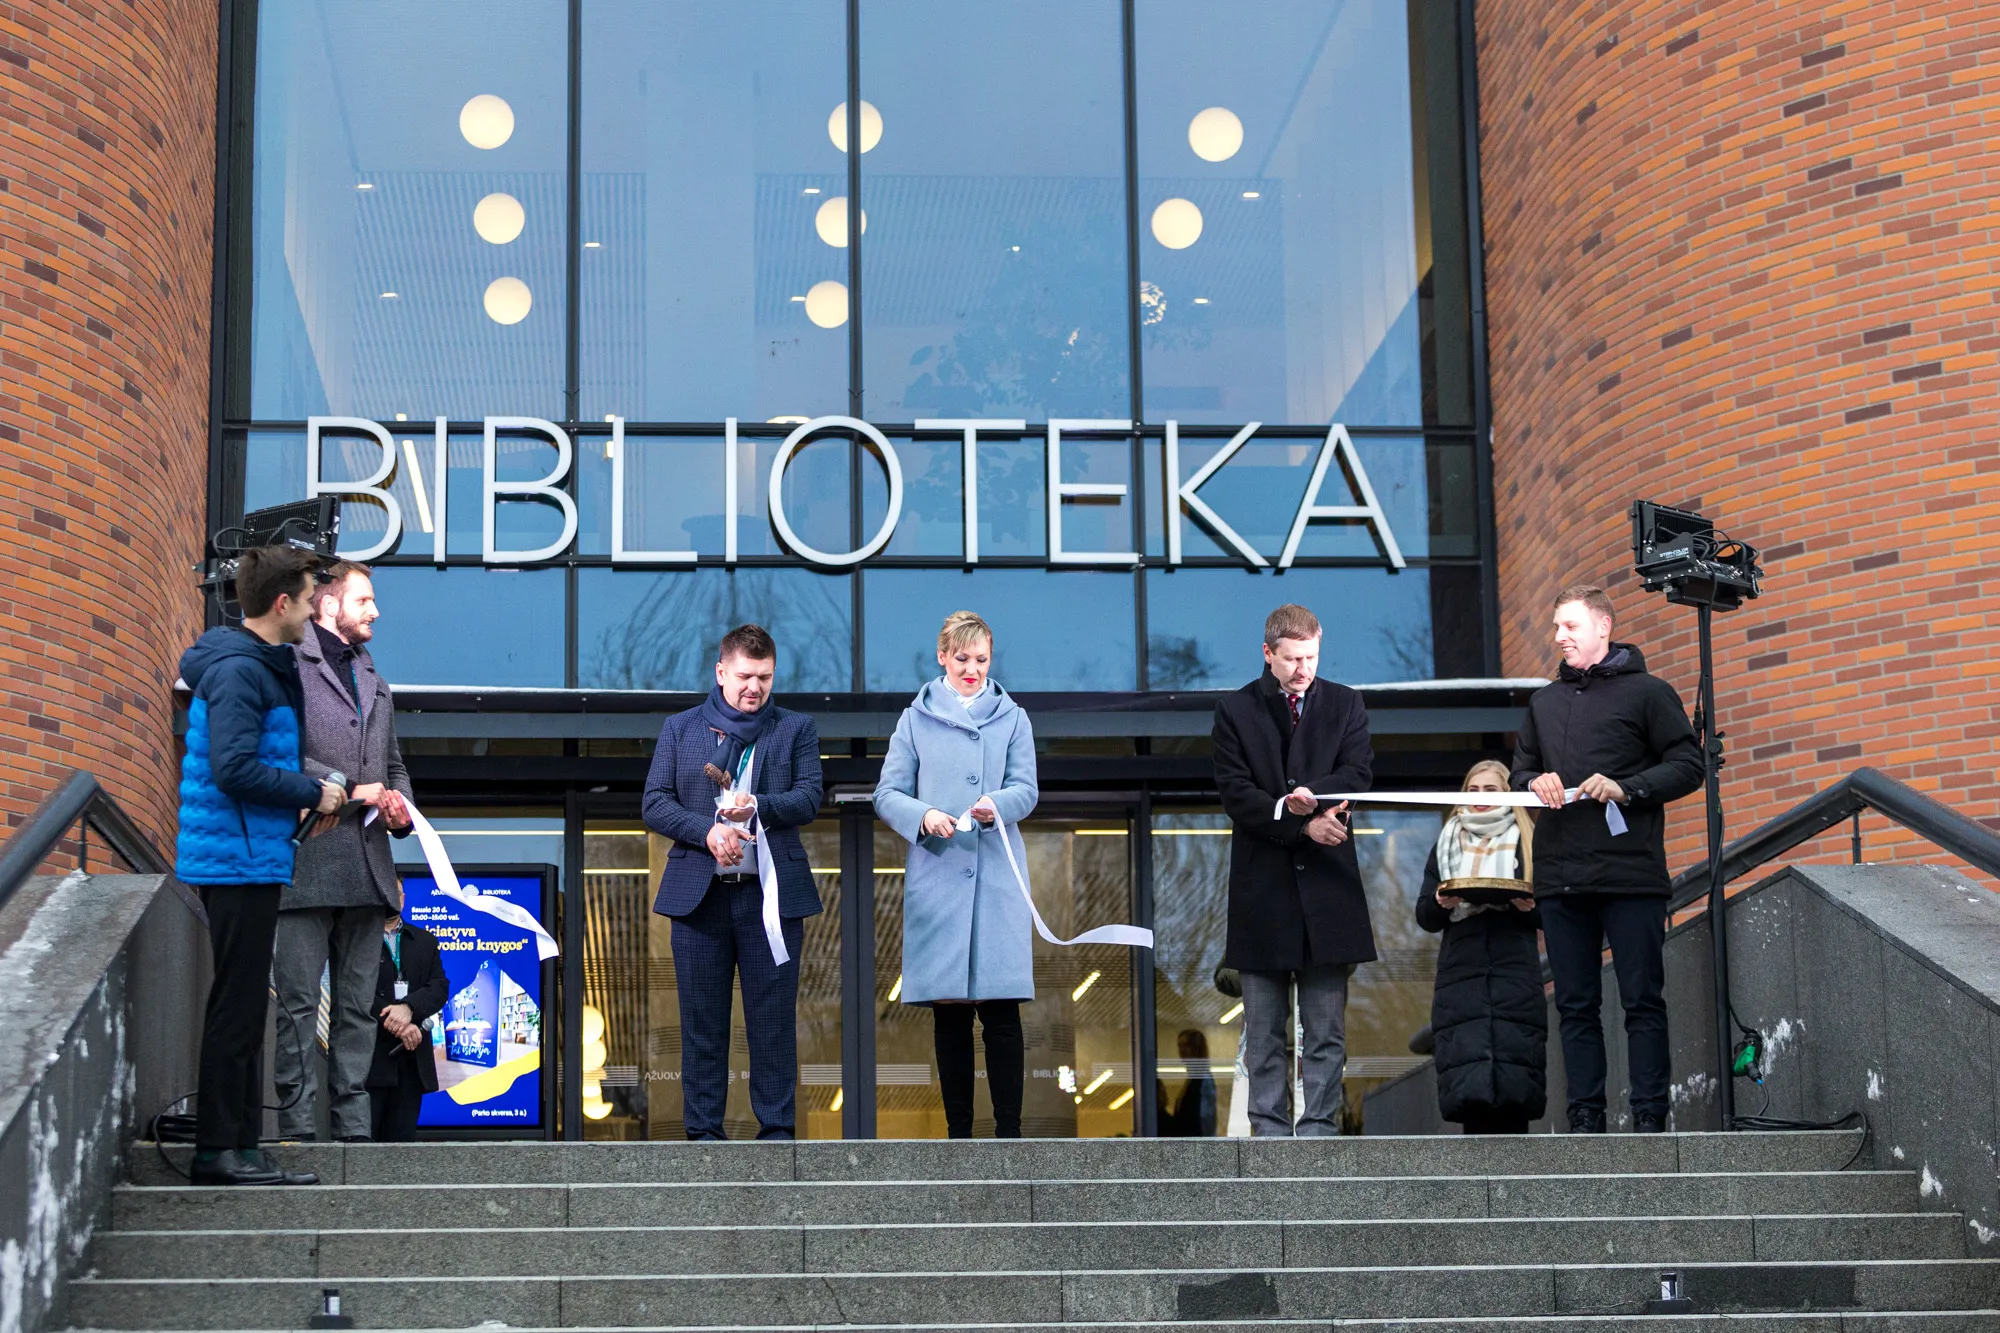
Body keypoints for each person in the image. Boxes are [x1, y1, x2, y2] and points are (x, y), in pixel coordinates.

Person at [174, 545, 346, 1186]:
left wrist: (308, 794)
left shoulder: (255, 665)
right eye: (307, 600)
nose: (312, 610)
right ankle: (219, 1152)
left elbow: (248, 764)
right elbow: (234, 770)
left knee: (245, 1008)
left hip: (250, 856)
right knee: (237, 1009)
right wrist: (311, 792)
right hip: (236, 860)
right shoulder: (241, 671)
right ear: (281, 603)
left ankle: (243, 1149)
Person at [1511, 584, 1703, 1134]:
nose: (1559, 636)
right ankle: (1585, 1119)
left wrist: (1628, 787)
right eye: (1556, 627)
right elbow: (1520, 773)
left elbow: (1689, 765)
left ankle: (1649, 1117)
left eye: (1569, 626)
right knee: (1574, 1006)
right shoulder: (1543, 703)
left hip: (1630, 874)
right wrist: (1535, 782)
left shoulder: (1650, 693)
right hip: (1560, 877)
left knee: (1642, 1000)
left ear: (1603, 626)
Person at [642, 624, 824, 1140]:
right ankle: (704, 1137)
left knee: (773, 1023)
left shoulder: (796, 728)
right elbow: (654, 803)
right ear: (721, 672)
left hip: (772, 898)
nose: (754, 687)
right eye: (745, 676)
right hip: (699, 901)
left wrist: (759, 806)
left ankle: (778, 1135)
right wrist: (707, 830)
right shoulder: (680, 729)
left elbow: (810, 797)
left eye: (764, 677)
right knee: (702, 1024)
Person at [1211, 603, 1376, 1137]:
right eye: (1292, 659)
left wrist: (1319, 802)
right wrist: (1300, 823)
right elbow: (1236, 794)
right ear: (1268, 653)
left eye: (1311, 657)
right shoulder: (1235, 710)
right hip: (1263, 892)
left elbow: (1358, 772)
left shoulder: (1346, 703)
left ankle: (1319, 1131)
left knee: (1325, 1030)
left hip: (1328, 889)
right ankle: (1269, 1133)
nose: (1304, 669)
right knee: (1263, 1032)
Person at [873, 611, 1038, 1139]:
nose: (972, 669)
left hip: (997, 879)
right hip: (940, 874)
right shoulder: (914, 720)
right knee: (950, 1013)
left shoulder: (1013, 718)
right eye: (962, 658)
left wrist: (997, 804)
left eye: (981, 659)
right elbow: (887, 793)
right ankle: (958, 1136)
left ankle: (1009, 1133)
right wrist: (923, 815)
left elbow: (1027, 789)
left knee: (1002, 1010)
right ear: (942, 657)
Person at [273, 560, 415, 1143]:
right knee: (298, 1006)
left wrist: (401, 809)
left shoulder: (375, 680)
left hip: (366, 867)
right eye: (364, 600)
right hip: (306, 862)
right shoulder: (288, 664)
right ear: (329, 605)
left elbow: (395, 767)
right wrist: (349, 787)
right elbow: (279, 754)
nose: (375, 611)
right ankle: (297, 1133)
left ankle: (353, 1134)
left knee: (357, 1008)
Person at [1415, 759, 1547, 1135]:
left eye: (1491, 789)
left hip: (1515, 968)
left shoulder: (1530, 840)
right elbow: (1424, 916)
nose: (1480, 796)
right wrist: (1441, 903)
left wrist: (1529, 907)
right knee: (1468, 1080)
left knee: (1516, 1077)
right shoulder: (1446, 841)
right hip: (1461, 971)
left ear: (1508, 794)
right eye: (1472, 790)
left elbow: (1553, 914)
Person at [365, 913, 448, 1142]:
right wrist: (398, 1023)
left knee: (402, 1150)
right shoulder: (358, 936)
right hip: (369, 1059)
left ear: (403, 898)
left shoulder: (425, 940)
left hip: (411, 1059)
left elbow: (439, 987)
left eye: (397, 895)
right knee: (363, 1148)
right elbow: (351, 990)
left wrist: (409, 1007)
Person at [1158, 1029, 1218, 1137]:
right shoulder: (1193, 1080)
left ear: (1197, 1049)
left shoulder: (1202, 1080)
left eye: (1186, 1045)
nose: (1181, 1050)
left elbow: (1200, 1123)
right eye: (1179, 1046)